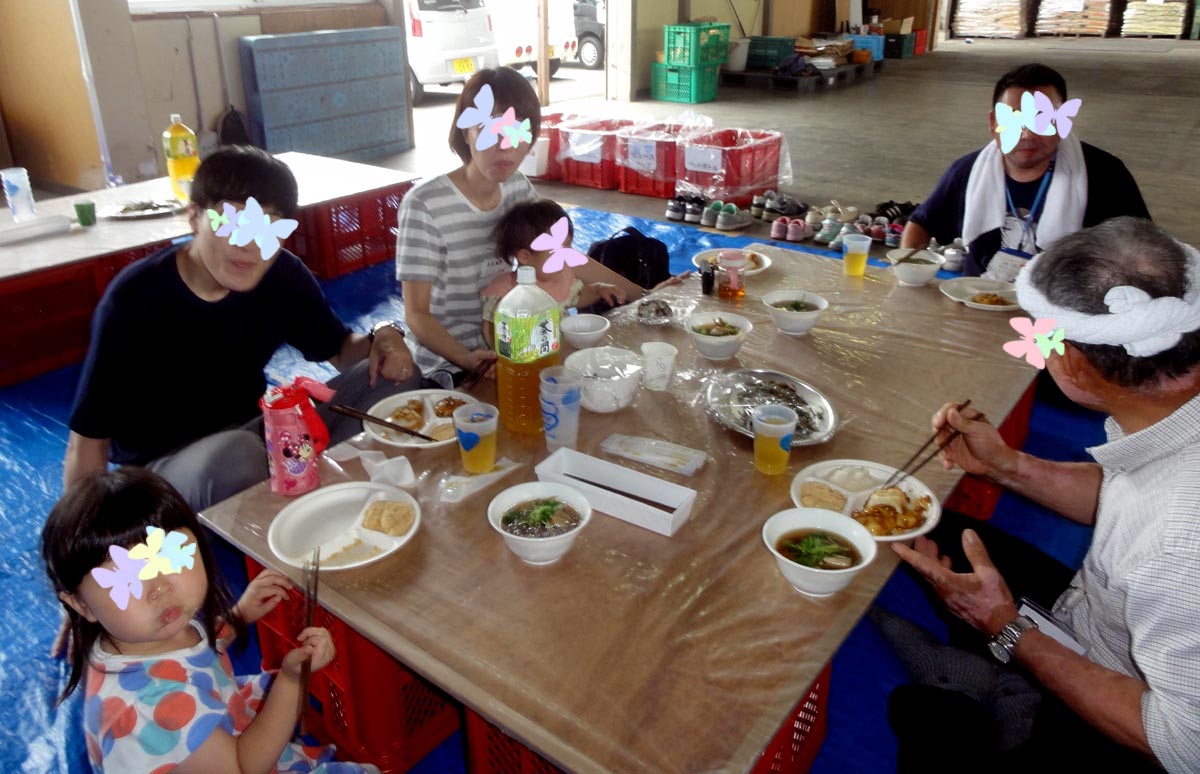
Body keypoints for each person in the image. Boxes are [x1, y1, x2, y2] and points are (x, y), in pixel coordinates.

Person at [881, 217, 1200, 772]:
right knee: (941, 529)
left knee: (925, 723)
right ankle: (1006, 677)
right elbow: (1129, 499)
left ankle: (983, 686)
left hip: (1143, 729)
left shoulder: (1180, 541)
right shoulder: (1166, 404)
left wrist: (1006, 629)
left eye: (1044, 336)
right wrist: (1006, 466)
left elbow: (1181, 741)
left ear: (1073, 363)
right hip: (1104, 619)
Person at [63, 146, 419, 512]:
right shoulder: (134, 300)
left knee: (397, 376)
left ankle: (311, 492)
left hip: (259, 432)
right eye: (232, 221)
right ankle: (293, 494)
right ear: (194, 218)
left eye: (268, 225)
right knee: (238, 456)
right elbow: (87, 444)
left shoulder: (282, 275)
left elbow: (342, 349)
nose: (250, 244)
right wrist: (83, 543)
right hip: (166, 470)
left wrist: (386, 333)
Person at [43, 467, 379, 773]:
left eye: (170, 556)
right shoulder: (154, 710)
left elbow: (195, 645)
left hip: (219, 729)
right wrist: (292, 680)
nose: (159, 585)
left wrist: (239, 616)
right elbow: (244, 766)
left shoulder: (143, 630)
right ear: (80, 605)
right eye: (127, 577)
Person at [395, 67, 651, 388]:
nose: (506, 148)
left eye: (517, 133)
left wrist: (643, 295)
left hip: (520, 342)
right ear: (466, 132)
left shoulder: (518, 188)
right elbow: (417, 313)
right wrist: (468, 358)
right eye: (490, 131)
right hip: (452, 366)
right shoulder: (424, 205)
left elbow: (561, 255)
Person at [902, 64, 1150, 279]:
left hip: (1067, 312)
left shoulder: (1105, 175)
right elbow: (920, 225)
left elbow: (1144, 249)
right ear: (993, 123)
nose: (1027, 134)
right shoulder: (967, 172)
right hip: (980, 300)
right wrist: (909, 277)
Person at [481, 199, 688, 345]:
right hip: (522, 362)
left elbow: (575, 297)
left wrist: (597, 290)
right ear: (525, 257)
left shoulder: (560, 277)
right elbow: (490, 329)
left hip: (556, 353)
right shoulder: (506, 293)